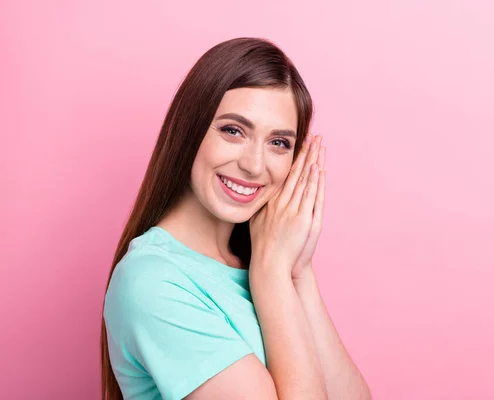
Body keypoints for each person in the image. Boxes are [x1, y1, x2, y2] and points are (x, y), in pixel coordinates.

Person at [101, 37, 371, 400]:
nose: (254, 165)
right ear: (189, 130)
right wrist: (272, 271)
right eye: (233, 131)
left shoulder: (266, 263)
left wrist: (297, 273)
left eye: (278, 143)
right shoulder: (152, 281)